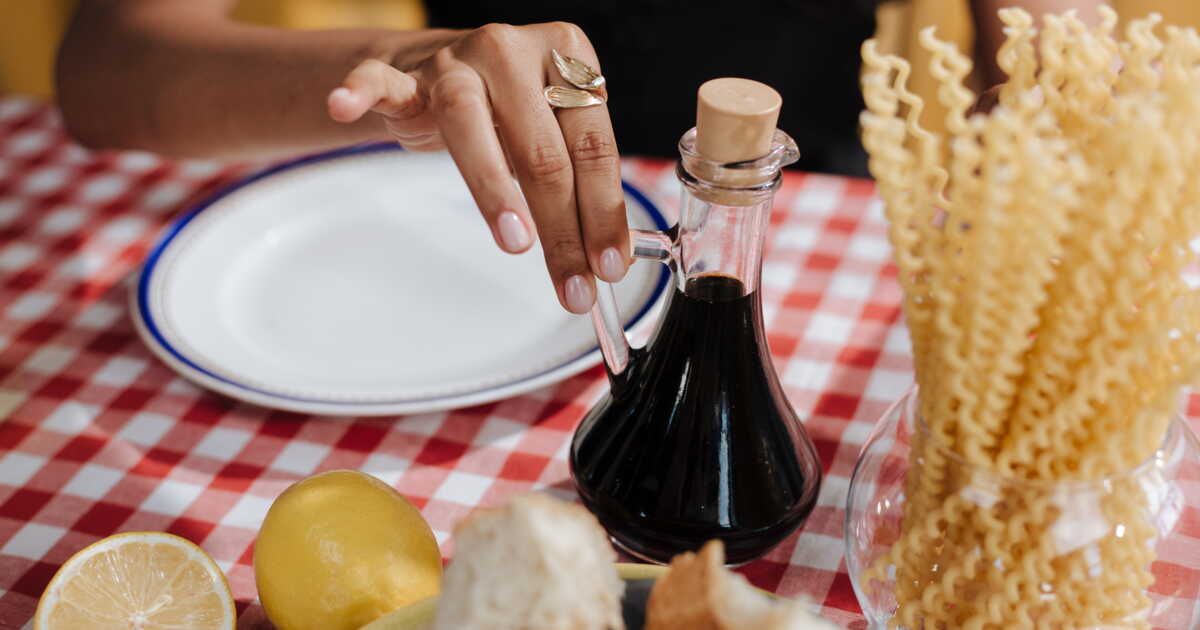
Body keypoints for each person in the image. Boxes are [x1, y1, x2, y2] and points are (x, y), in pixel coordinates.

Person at [55, 0, 1101, 314]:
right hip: (483, 225)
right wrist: (398, 74)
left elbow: (1044, 57)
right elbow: (105, 69)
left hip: (818, 233)